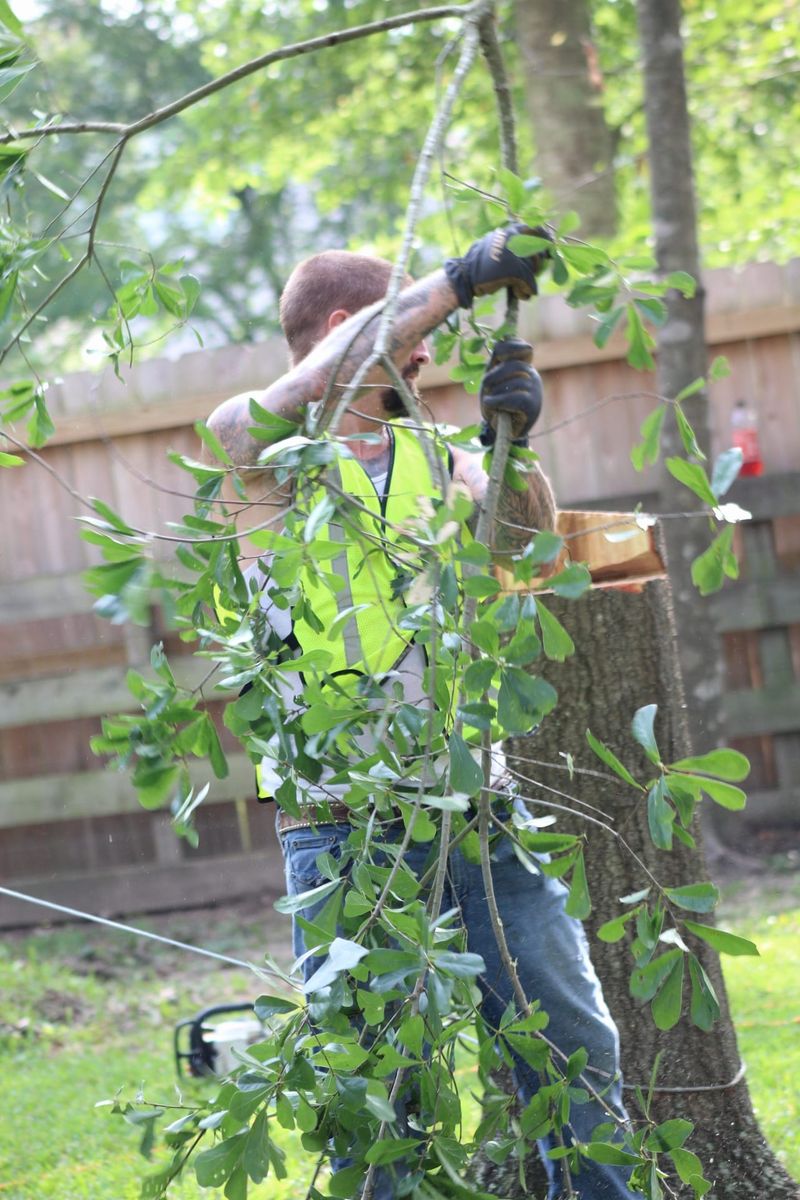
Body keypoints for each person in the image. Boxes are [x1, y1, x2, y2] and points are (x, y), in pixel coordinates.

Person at [207, 228, 638, 1199]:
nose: (429, 351)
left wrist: (515, 451)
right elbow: (268, 415)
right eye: (411, 328)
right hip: (343, 836)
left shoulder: (438, 458)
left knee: (573, 1052)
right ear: (342, 329)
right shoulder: (256, 455)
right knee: (375, 1111)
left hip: (476, 816)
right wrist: (454, 280)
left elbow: (535, 561)